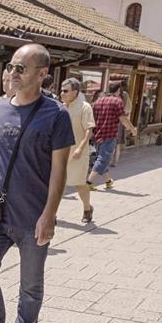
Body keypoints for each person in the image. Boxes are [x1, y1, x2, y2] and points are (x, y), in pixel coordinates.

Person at [0, 43, 74, 323]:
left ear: (42, 74)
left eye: (21, 68)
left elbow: (60, 170)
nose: (12, 73)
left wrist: (49, 214)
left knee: (30, 283)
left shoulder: (56, 115)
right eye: (11, 66)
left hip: (33, 217)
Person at [86, 81, 137, 191]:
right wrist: (132, 129)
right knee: (103, 159)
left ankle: (108, 181)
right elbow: (123, 118)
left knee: (102, 158)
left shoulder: (98, 101)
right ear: (118, 90)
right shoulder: (117, 101)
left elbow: (92, 118)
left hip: (98, 134)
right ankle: (88, 182)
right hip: (109, 135)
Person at [60, 77, 95, 223]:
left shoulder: (84, 107)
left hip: (77, 153)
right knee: (58, 183)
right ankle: (52, 213)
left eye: (66, 91)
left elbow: (89, 129)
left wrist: (80, 148)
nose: (62, 93)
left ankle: (87, 208)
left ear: (75, 92)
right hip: (61, 152)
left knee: (79, 183)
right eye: (61, 90)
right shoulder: (60, 107)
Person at [112, 81, 132, 167]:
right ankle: (115, 162)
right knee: (117, 143)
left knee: (112, 142)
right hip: (120, 121)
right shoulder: (124, 95)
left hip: (114, 121)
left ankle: (110, 161)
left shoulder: (119, 95)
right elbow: (128, 109)